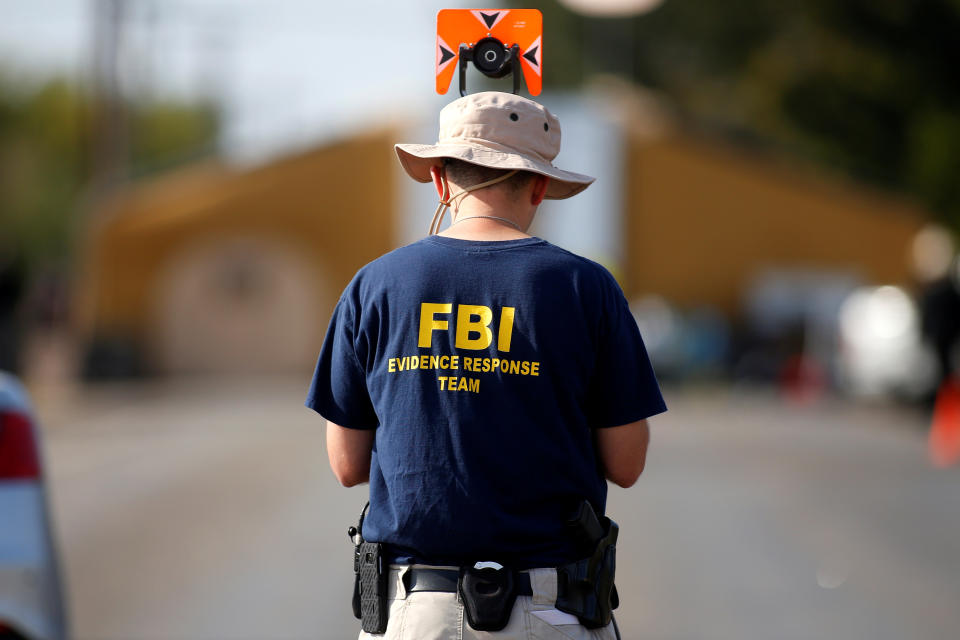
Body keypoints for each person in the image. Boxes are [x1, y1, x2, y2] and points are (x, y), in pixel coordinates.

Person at [306, 91, 666, 639]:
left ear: (440, 181)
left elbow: (348, 465)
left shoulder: (374, 285)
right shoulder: (585, 287)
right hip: (552, 609)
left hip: (415, 612)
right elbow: (626, 463)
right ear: (541, 186)